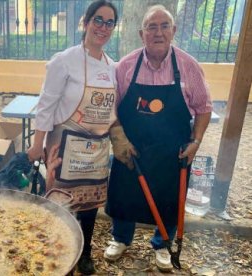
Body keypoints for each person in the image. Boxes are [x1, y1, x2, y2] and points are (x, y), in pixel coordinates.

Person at [104, 5, 212, 272]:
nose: (158, 32)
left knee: (170, 198)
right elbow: (112, 106)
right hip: (133, 149)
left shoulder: (188, 66)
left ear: (173, 31)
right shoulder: (126, 66)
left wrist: (195, 142)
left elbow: (204, 107)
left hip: (171, 151)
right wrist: (118, 139)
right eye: (152, 27)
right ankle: (120, 239)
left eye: (164, 26)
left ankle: (162, 243)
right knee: (124, 194)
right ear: (142, 34)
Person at [27, 1, 119, 274]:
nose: (103, 27)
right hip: (64, 145)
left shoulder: (112, 67)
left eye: (109, 22)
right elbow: (46, 106)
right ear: (86, 22)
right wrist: (36, 145)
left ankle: (85, 252)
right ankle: (56, 250)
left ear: (114, 28)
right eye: (98, 20)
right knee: (61, 202)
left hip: (96, 149)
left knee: (89, 202)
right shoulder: (63, 61)